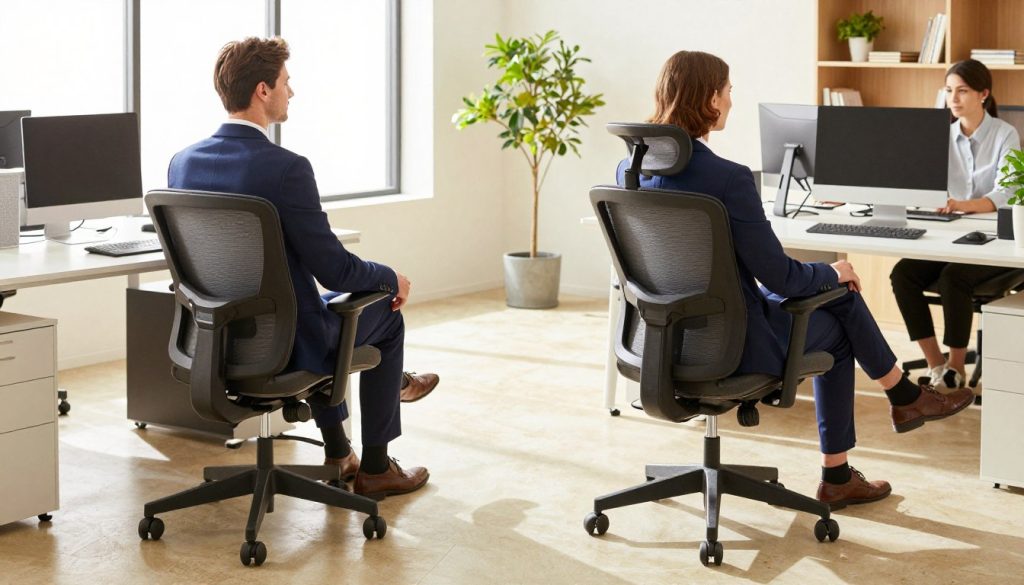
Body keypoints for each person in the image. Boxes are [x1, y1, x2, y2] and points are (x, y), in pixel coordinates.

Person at [618, 50, 974, 508]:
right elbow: (782, 277)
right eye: (728, 93)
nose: (731, 102)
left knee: (830, 293)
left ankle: (899, 404)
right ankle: (863, 444)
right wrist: (832, 270)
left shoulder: (629, 171)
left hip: (658, 342)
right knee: (839, 303)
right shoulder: (728, 179)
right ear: (709, 99)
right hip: (733, 346)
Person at [168, 37, 433, 500]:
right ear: (263, 91)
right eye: (287, 83)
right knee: (384, 314)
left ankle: (339, 453)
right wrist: (392, 277)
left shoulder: (182, 164)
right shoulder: (286, 168)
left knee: (322, 309)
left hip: (216, 340)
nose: (293, 92)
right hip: (284, 344)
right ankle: (376, 466)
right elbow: (335, 269)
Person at [890, 59, 1022, 391]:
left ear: (983, 94)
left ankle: (957, 367)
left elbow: (1006, 193)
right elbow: (919, 180)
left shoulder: (1005, 134)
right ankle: (937, 363)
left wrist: (961, 205)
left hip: (996, 241)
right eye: (949, 90)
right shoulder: (941, 136)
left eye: (962, 90)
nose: (954, 98)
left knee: (953, 278)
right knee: (903, 273)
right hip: (949, 235)